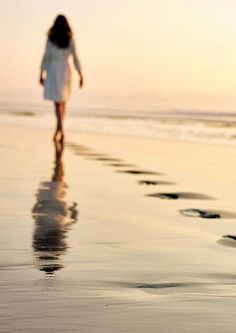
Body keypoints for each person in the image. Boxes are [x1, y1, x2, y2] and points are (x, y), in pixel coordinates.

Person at [39, 14, 84, 143]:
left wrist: (41, 73)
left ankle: (60, 129)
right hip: (65, 70)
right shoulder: (69, 39)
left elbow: (46, 57)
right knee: (62, 103)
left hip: (54, 71)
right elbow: (75, 58)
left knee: (58, 103)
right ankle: (60, 129)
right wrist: (80, 74)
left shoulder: (51, 39)